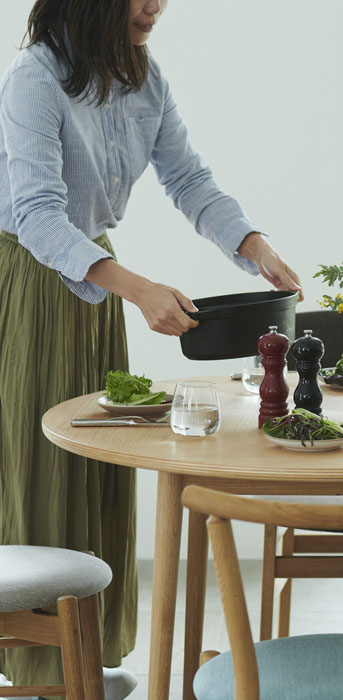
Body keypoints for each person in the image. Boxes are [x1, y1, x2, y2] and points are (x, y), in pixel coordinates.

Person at [0, 0, 302, 697]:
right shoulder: (34, 78)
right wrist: (137, 290)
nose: (155, 5)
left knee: (96, 461)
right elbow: (38, 216)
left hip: (92, 280)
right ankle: (39, 666)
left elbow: (188, 178)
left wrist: (253, 245)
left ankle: (86, 654)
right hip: (32, 277)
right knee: (40, 462)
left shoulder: (144, 77)